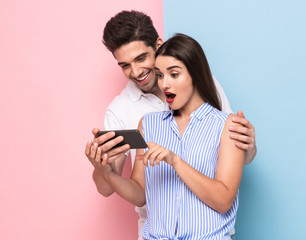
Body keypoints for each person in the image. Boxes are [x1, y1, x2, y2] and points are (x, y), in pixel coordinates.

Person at [85, 10, 256, 239]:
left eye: (140, 58)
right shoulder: (130, 115)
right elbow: (126, 189)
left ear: (158, 45)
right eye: (125, 65)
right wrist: (102, 169)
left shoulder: (211, 95)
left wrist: (249, 147)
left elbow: (233, 157)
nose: (136, 72)